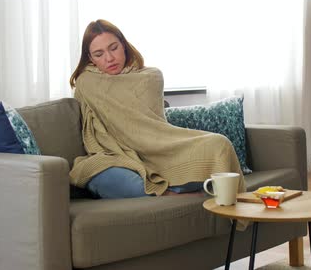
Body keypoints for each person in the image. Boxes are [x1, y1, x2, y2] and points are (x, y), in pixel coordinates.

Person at [69, 19, 244, 198]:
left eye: (113, 48)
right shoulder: (87, 83)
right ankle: (171, 193)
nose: (109, 58)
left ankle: (167, 189)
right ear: (90, 58)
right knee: (100, 172)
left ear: (123, 45)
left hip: (162, 149)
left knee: (219, 144)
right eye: (99, 54)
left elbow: (155, 130)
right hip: (116, 156)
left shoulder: (150, 77)